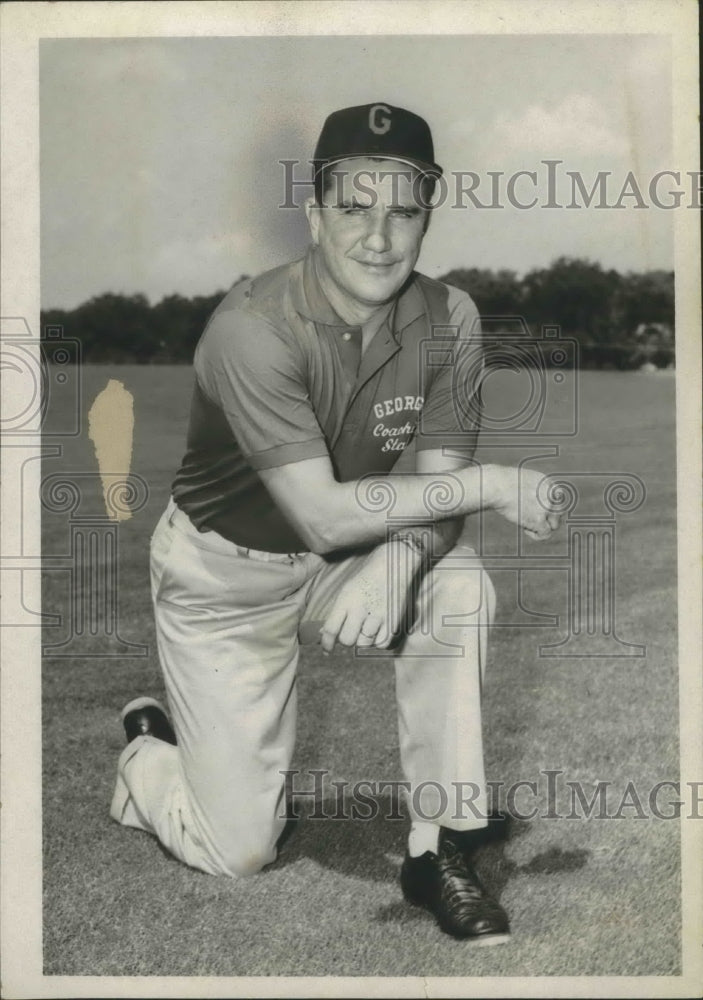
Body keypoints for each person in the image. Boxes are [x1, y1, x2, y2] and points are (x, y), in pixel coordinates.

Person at [111, 102, 560, 943]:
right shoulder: (249, 329)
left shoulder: (450, 319)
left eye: (403, 210)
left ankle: (441, 844)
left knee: (456, 586)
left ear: (429, 213)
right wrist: (494, 482)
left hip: (345, 559)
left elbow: (435, 493)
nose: (379, 237)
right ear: (314, 214)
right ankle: (146, 750)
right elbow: (320, 512)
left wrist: (400, 561)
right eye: (354, 207)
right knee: (237, 849)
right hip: (224, 582)